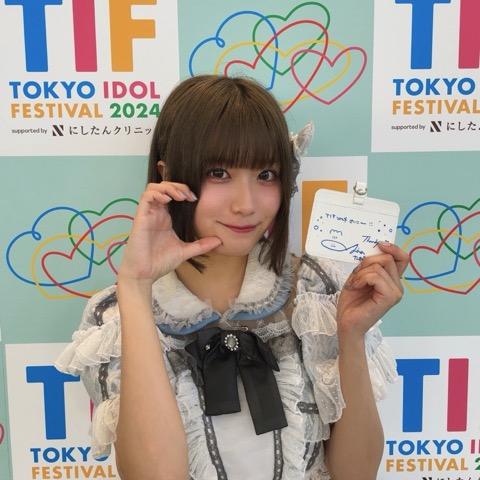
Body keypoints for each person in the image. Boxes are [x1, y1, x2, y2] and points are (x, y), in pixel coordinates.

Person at [55, 74, 408, 480]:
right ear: (168, 176)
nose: (246, 204)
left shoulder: (318, 293)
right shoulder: (116, 314)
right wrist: (135, 288)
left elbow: (356, 474)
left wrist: (351, 335)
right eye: (219, 173)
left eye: (266, 175)